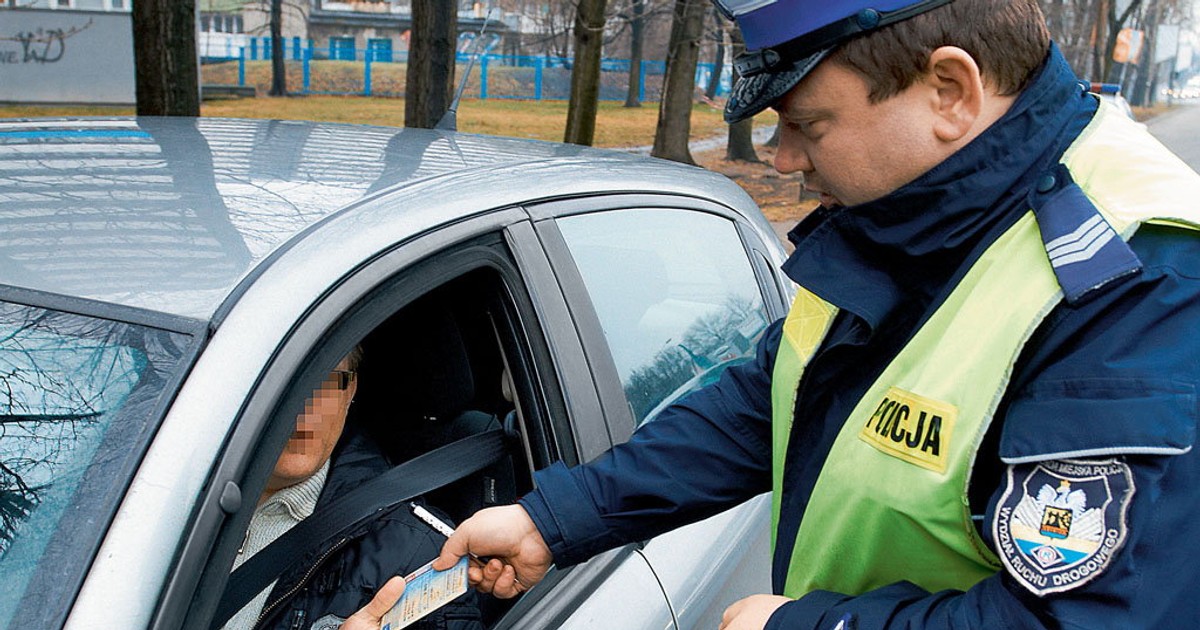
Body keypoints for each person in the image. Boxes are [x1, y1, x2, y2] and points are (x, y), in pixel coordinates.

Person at [433, 1, 1200, 628]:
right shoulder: (926, 210)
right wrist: (555, 520)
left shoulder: (1142, 286)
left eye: (809, 123)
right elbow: (774, 397)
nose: (783, 159)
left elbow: (1084, 618)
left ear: (950, 93)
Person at [224, 347, 483, 630]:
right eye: (285, 382)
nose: (305, 406)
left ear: (350, 391)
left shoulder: (423, 559)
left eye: (325, 380)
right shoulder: (173, 489)